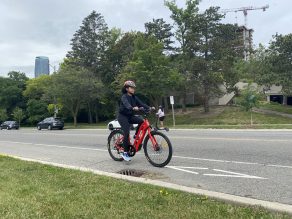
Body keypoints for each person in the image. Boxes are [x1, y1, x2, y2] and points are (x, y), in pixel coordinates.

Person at [118, 80, 151, 162]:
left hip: (130, 116)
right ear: (126, 88)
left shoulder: (134, 97)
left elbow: (142, 104)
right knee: (126, 132)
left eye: (133, 88)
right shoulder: (124, 97)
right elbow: (126, 104)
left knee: (142, 121)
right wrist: (132, 107)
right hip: (122, 117)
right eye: (131, 87)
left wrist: (149, 108)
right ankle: (125, 153)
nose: (133, 89)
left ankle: (136, 136)